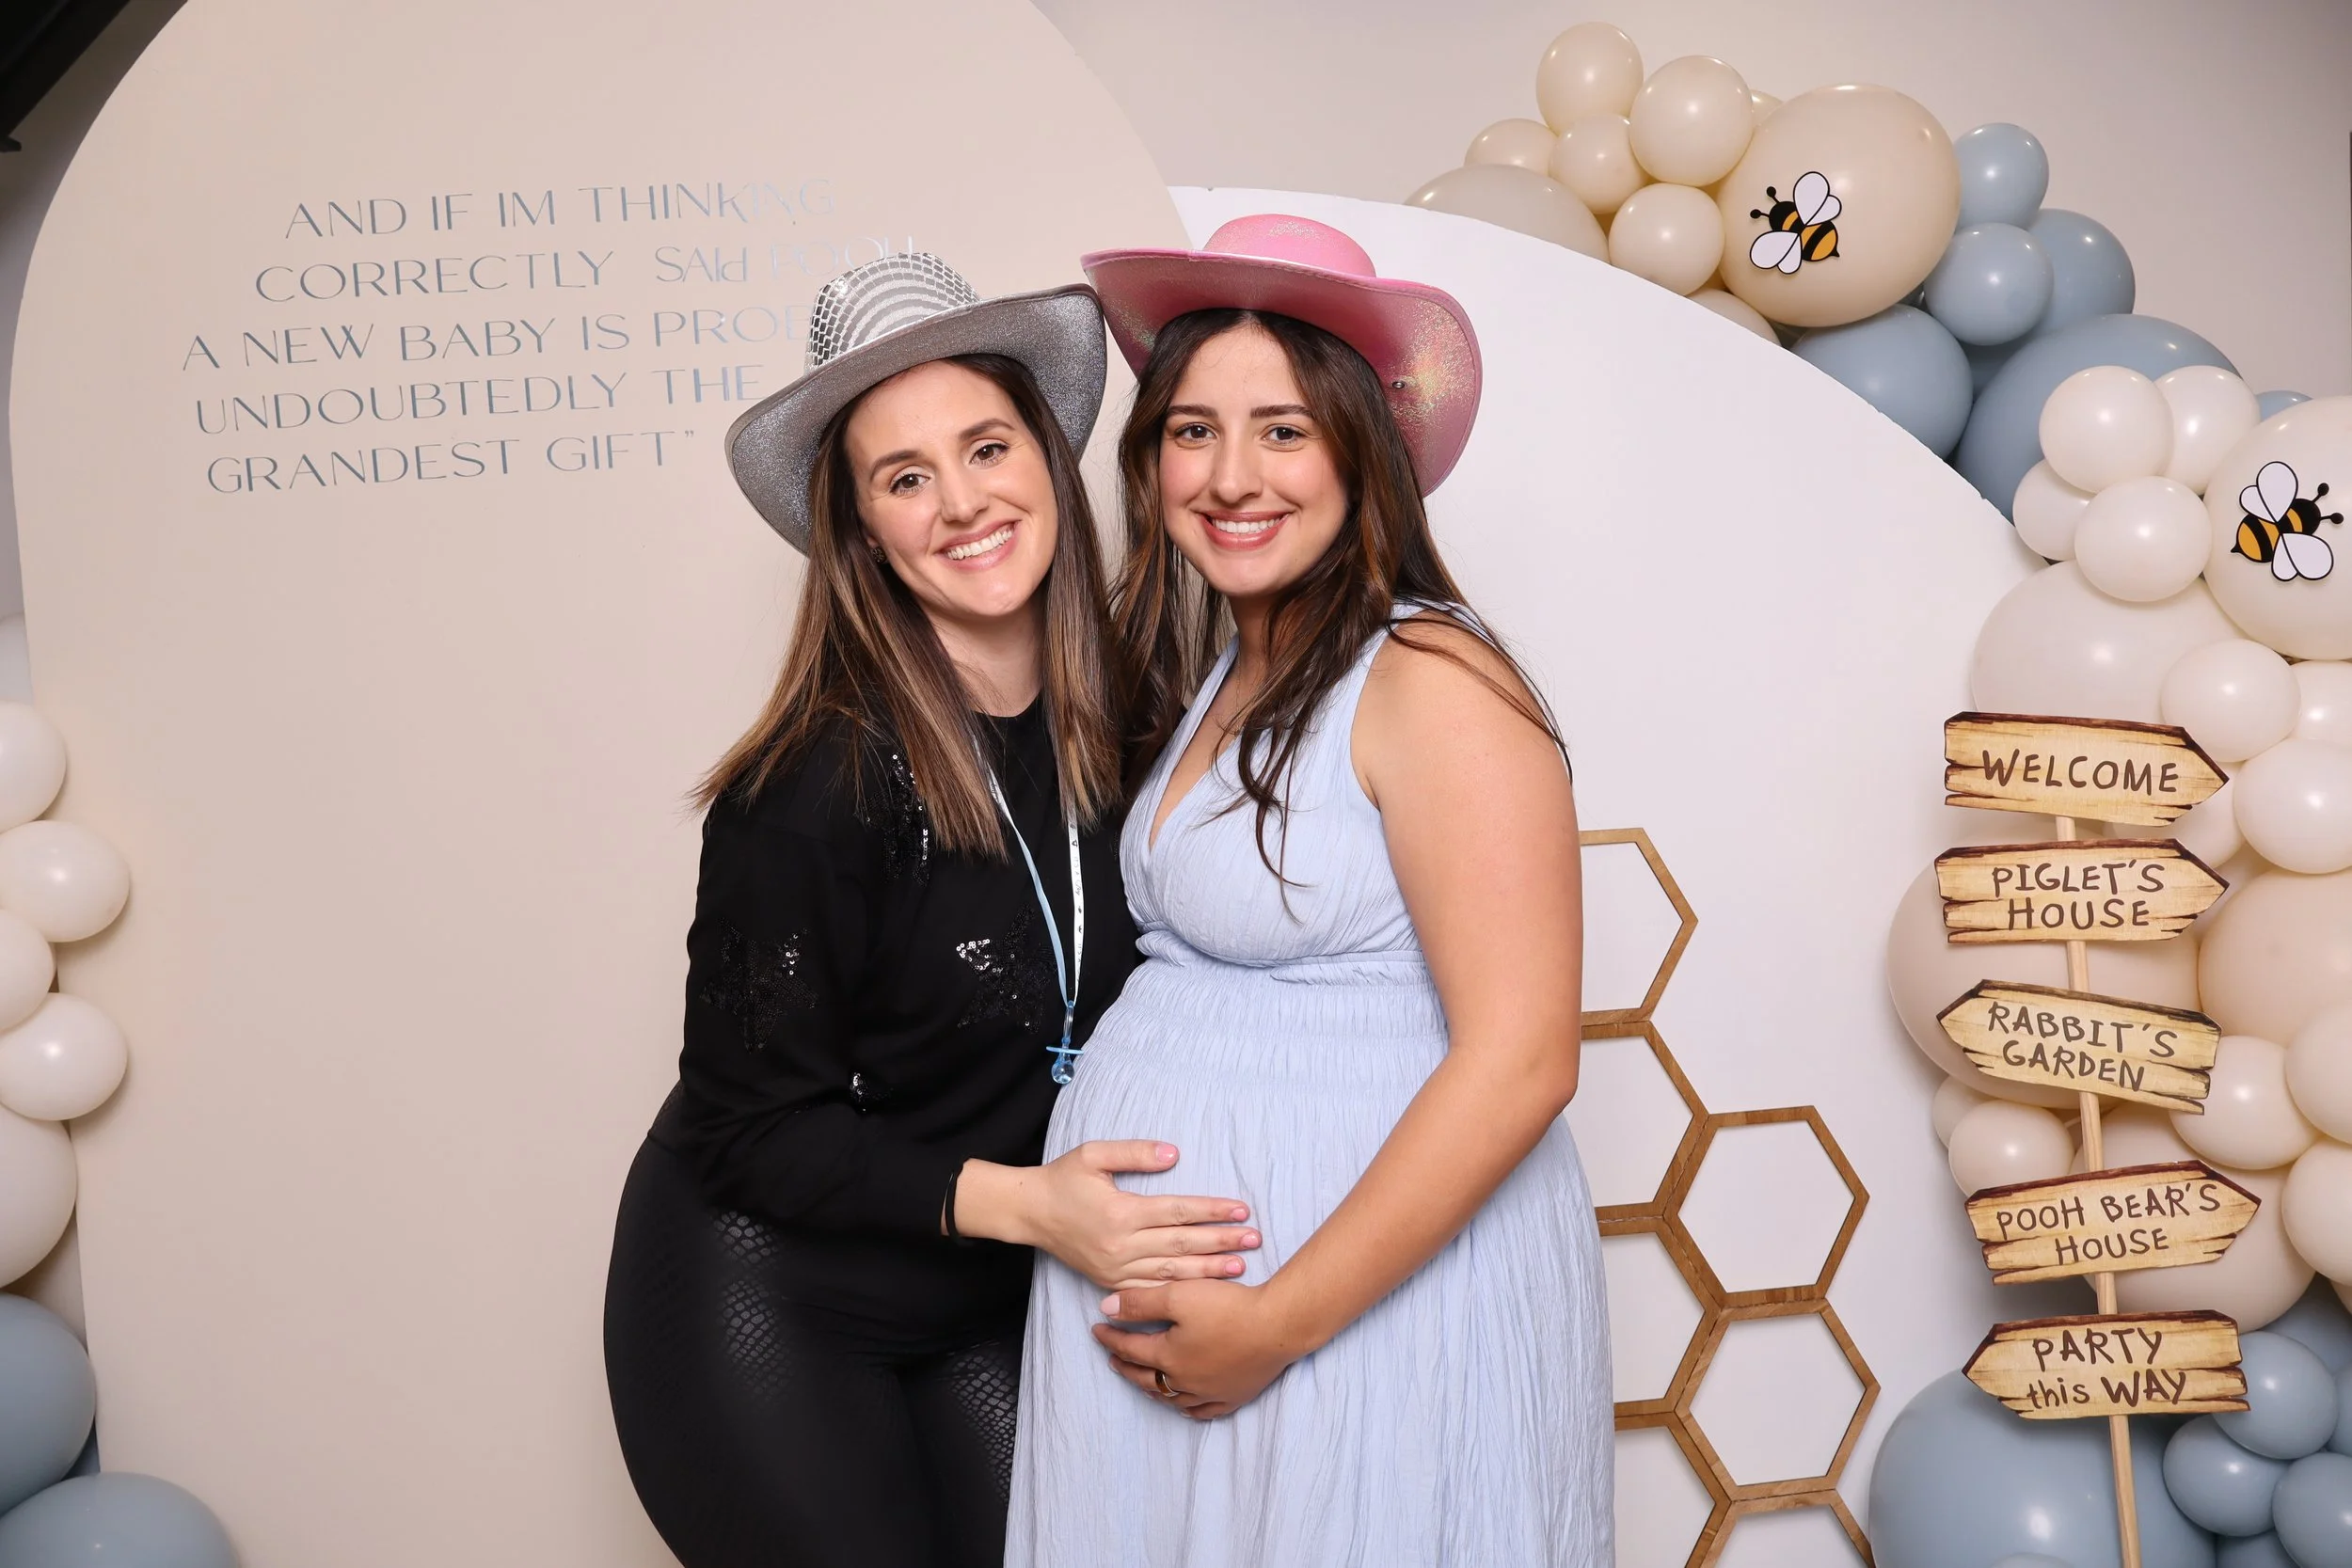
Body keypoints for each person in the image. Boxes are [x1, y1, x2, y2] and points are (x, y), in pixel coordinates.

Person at [602, 253, 1261, 1568]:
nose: (963, 502)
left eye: (985, 447)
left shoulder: (1145, 725)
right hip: (770, 1290)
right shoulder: (813, 784)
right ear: (862, 530)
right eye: (907, 478)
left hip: (984, 1290)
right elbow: (748, 1131)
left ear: (1047, 460)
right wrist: (1034, 1205)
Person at [1009, 216, 1611, 1565]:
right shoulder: (1226, 668)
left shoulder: (1434, 679)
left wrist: (1275, 1320)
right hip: (1206, 1322)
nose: (1231, 476)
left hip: (1342, 1310)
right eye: (1192, 431)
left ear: (1361, 448)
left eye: (1282, 429)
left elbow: (1522, 1059)